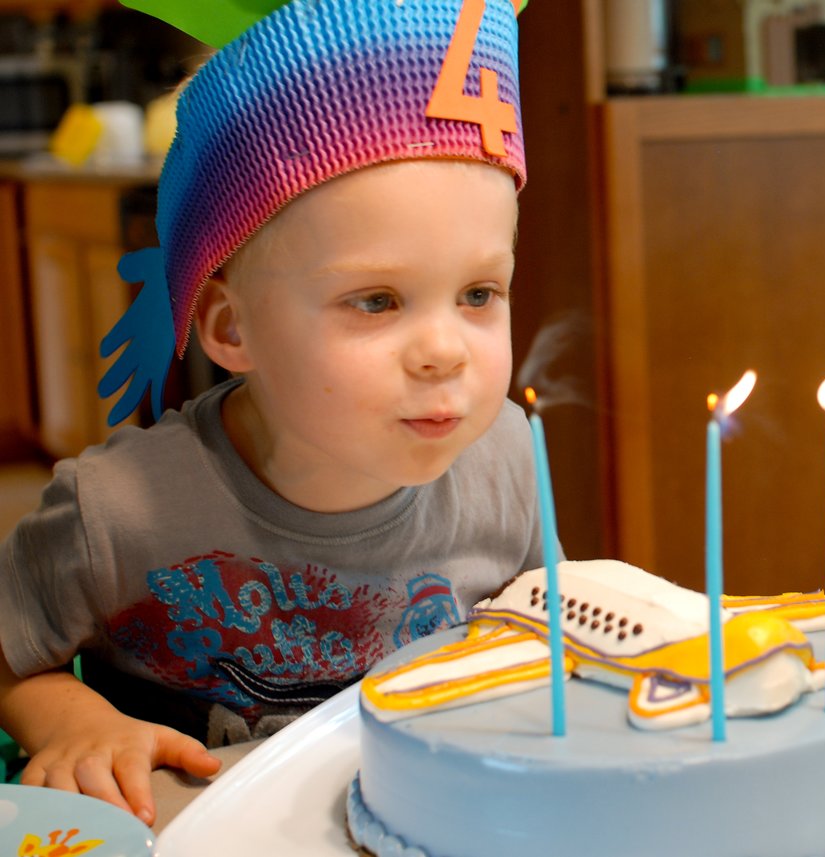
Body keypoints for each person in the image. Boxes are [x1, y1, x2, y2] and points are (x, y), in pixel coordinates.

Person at [0, 0, 544, 827]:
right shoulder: (116, 512)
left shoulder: (507, 459)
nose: (446, 350)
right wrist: (76, 721)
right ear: (231, 328)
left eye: (479, 293)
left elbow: (543, 634)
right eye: (376, 300)